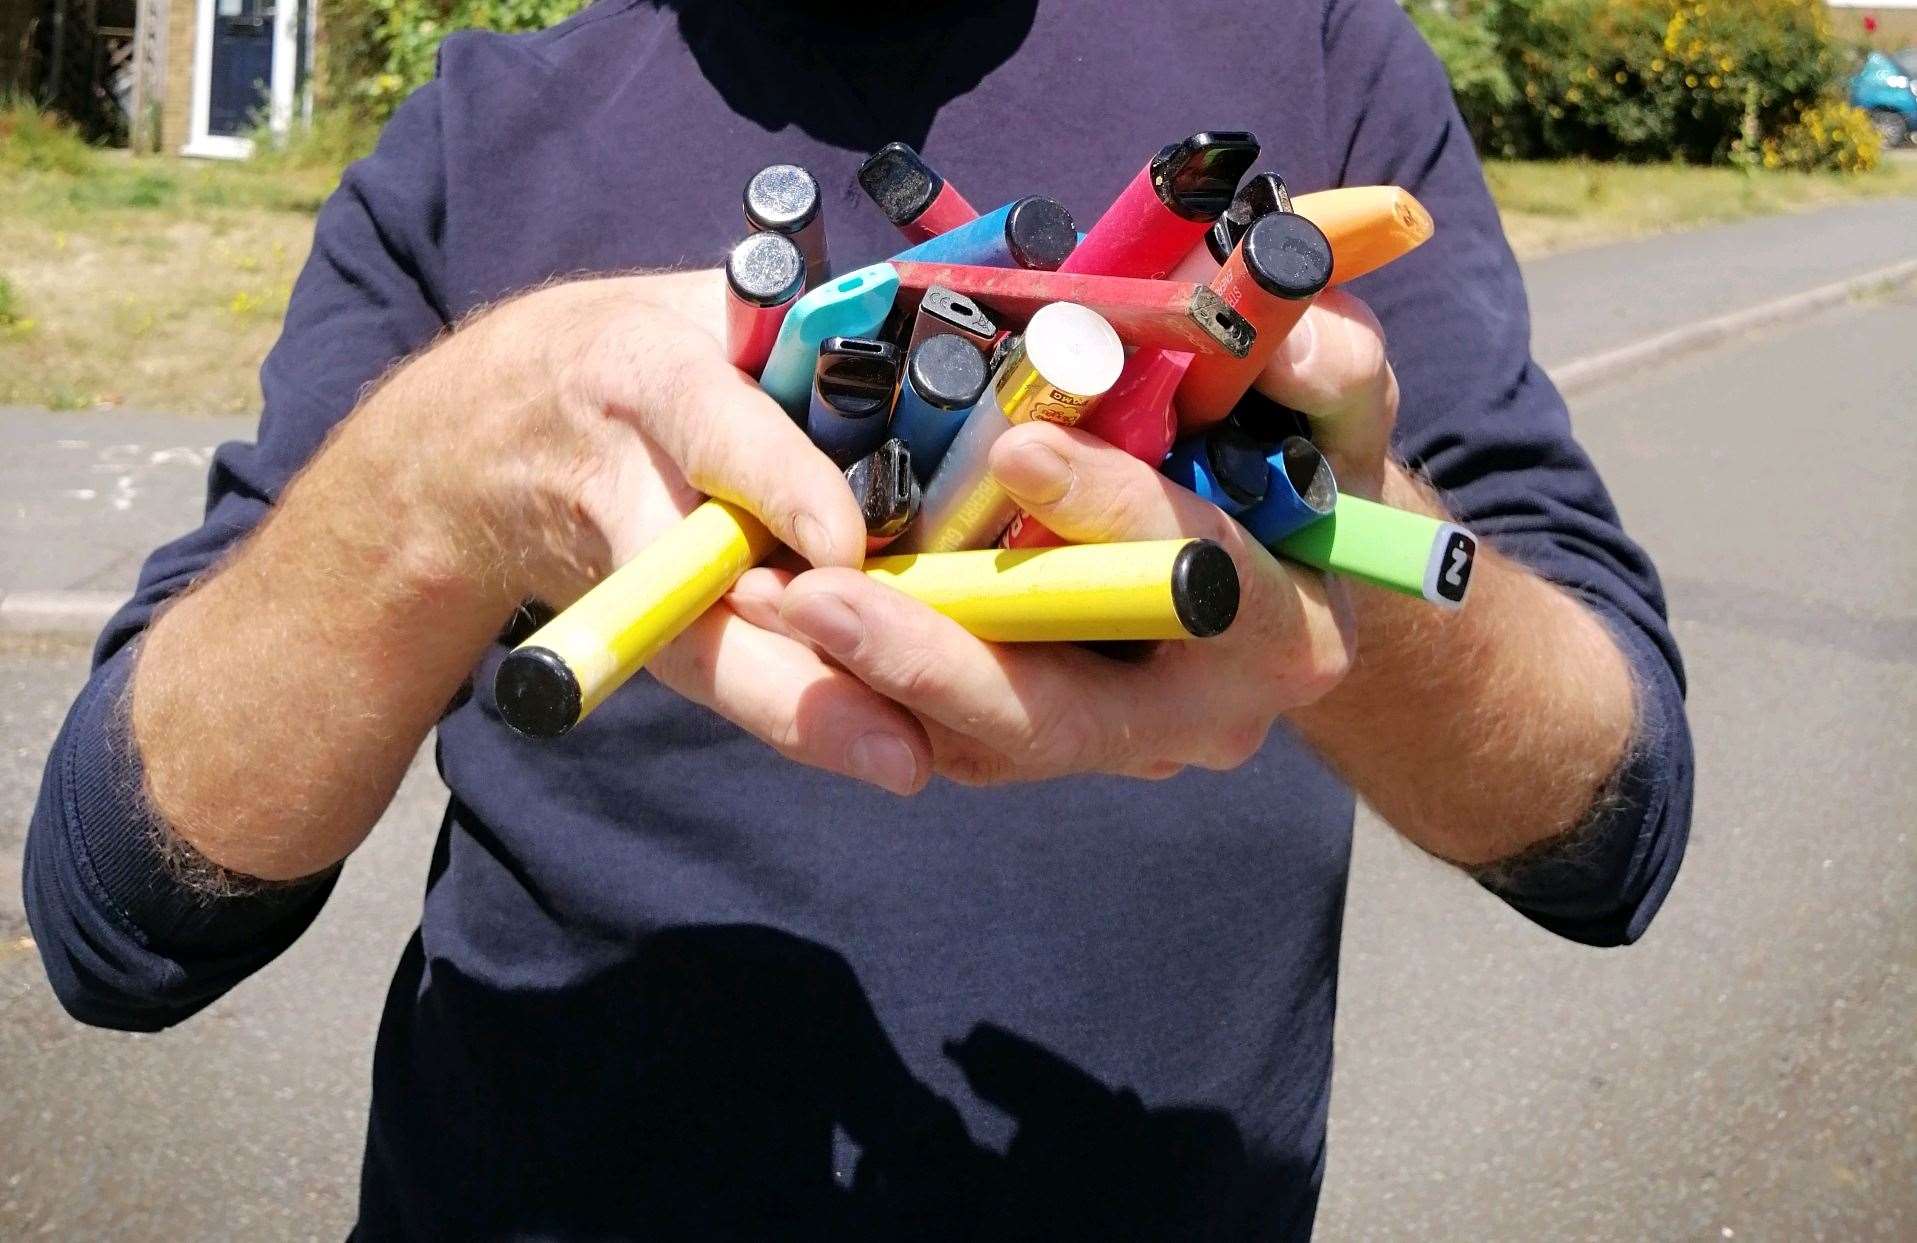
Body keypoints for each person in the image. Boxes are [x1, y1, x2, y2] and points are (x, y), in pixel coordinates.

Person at [23, 0, 1694, 1236]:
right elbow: (122, 918)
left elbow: (1606, 827)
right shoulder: (483, 126)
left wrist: (1342, 562)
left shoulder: (1319, 63)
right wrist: (432, 478)